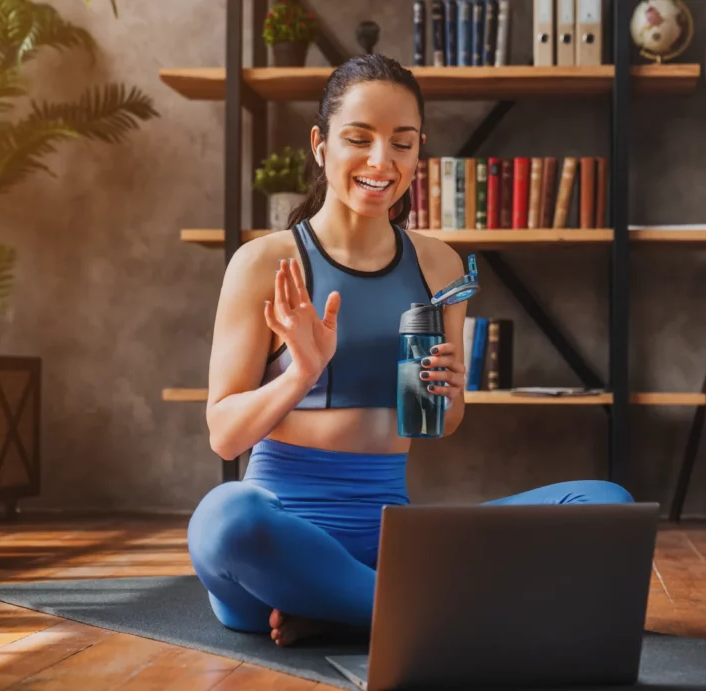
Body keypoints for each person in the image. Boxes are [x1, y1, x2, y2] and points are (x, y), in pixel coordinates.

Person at [186, 53, 634, 648]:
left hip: (390, 537)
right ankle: (427, 612)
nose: (381, 161)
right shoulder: (264, 264)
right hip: (278, 540)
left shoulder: (439, 264)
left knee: (605, 504)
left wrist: (450, 393)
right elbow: (224, 435)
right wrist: (302, 374)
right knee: (225, 519)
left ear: (419, 152)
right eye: (359, 139)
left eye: (402, 143)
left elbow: (439, 424)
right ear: (321, 145)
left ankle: (351, 608)